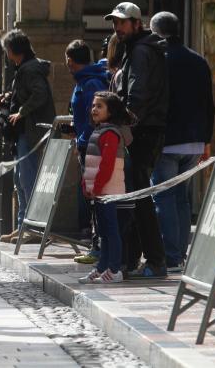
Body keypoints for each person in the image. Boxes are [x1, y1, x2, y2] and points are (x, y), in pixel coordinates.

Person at [106, 1, 169, 278]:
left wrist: (125, 126)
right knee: (134, 197)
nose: (118, 27)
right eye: (115, 23)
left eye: (122, 22)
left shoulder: (141, 51)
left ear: (136, 23)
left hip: (141, 133)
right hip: (141, 130)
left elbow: (138, 96)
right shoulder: (135, 49)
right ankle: (134, 259)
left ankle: (155, 260)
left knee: (139, 198)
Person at [149, 11, 214, 273]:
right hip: (194, 141)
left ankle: (172, 256)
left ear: (155, 33)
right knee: (182, 199)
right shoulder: (198, 60)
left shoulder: (159, 60)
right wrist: (206, 140)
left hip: (166, 140)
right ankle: (180, 253)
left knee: (164, 198)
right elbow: (209, 104)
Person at [0, 29, 56, 243]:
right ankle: (23, 226)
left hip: (30, 133)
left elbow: (40, 94)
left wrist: (22, 111)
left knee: (27, 180)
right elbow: (27, 93)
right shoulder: (24, 69)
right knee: (20, 180)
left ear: (11, 50)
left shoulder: (29, 70)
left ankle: (33, 229)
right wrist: (9, 97)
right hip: (22, 134)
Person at [78, 92, 135, 285]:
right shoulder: (99, 131)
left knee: (111, 230)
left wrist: (97, 186)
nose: (94, 109)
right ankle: (102, 267)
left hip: (108, 191)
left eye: (99, 106)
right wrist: (87, 184)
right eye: (93, 105)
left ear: (110, 111)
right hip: (98, 191)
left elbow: (107, 164)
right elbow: (91, 164)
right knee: (102, 230)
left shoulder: (110, 133)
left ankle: (114, 269)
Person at [65, 40, 109, 264]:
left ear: (70, 61)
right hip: (86, 142)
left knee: (95, 198)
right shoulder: (85, 80)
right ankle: (97, 245)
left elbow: (94, 118)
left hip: (92, 145)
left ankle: (99, 248)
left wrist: (85, 140)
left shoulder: (89, 83)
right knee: (92, 198)